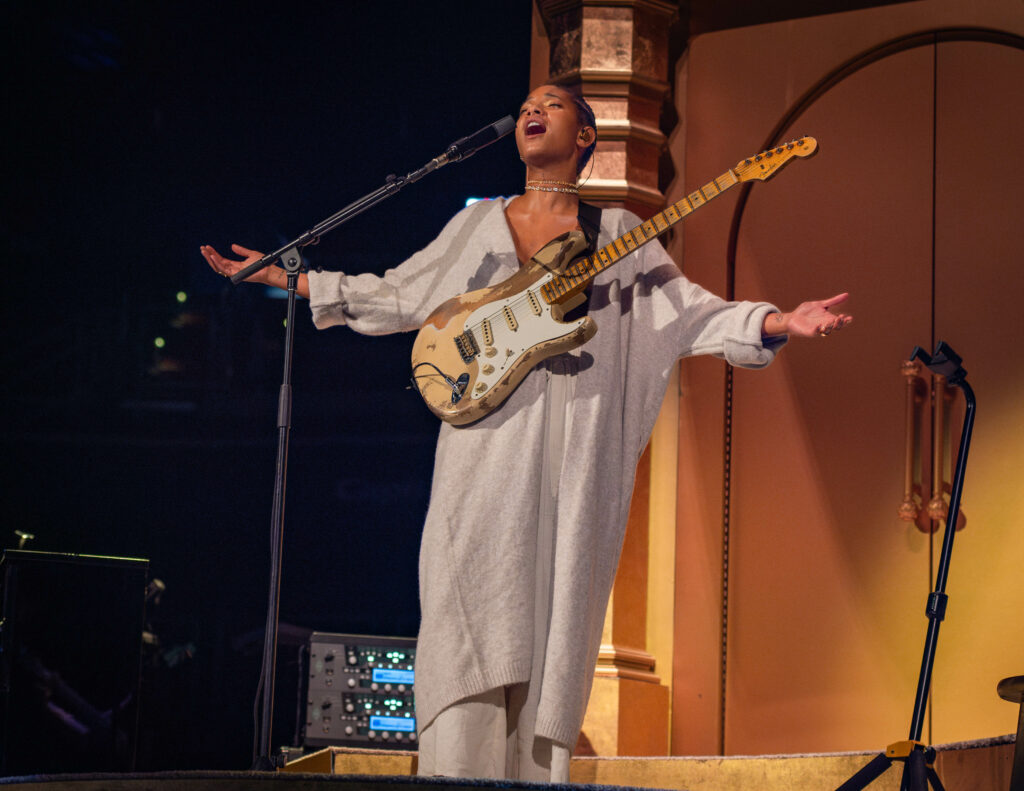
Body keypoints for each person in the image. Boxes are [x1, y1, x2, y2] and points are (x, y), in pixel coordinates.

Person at [202, 83, 851, 782]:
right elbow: (398, 292)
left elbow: (690, 313)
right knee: (465, 620)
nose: (533, 110)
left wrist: (779, 321)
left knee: (552, 627)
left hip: (572, 459)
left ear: (586, 136)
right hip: (482, 455)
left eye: (554, 104)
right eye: (528, 105)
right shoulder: (477, 224)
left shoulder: (618, 233)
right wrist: (291, 279)